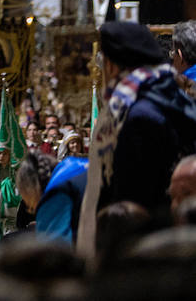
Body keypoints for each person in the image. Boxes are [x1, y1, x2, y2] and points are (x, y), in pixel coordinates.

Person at [81, 20, 196, 248]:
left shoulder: (135, 115)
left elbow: (131, 200)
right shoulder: (172, 97)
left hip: (145, 247)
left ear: (113, 66)